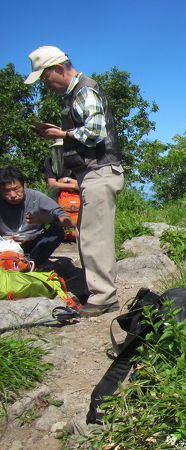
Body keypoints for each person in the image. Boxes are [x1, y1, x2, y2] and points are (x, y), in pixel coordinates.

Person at [25, 46, 124, 317]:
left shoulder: (84, 90)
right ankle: (100, 291)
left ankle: (104, 297)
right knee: (90, 236)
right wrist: (58, 135)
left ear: (58, 68)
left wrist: (62, 133)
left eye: (45, 78)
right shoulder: (79, 93)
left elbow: (94, 131)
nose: (46, 85)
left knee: (95, 238)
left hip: (100, 172)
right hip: (93, 174)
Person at [0, 167, 74, 268]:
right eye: (6, 191)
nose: (13, 195)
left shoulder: (36, 197)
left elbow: (70, 222)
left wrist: (49, 218)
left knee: (57, 231)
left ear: (23, 185)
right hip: (4, 244)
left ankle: (32, 263)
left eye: (16, 189)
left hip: (32, 243)